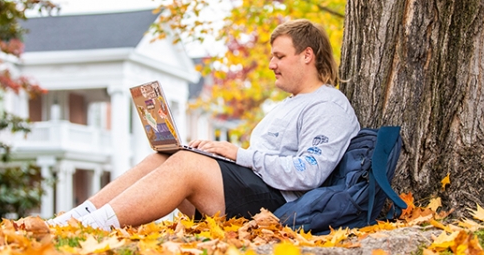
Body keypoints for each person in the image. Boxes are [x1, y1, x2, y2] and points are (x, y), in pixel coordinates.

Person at [47, 19, 360, 231]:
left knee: (185, 163)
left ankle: (95, 227)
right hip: (255, 190)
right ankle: (72, 219)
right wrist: (218, 155)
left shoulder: (327, 105)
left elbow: (308, 172)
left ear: (307, 55)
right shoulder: (290, 104)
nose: (271, 64)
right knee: (166, 156)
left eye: (279, 56)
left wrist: (239, 155)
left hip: (279, 206)